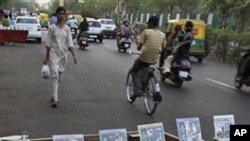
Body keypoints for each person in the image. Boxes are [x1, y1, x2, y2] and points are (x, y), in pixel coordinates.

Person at [43, 7, 77, 108]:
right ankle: (55, 98)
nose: (61, 15)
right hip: (53, 53)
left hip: (63, 55)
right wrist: (46, 57)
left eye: (63, 14)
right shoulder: (52, 28)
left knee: (59, 77)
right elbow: (48, 43)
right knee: (55, 75)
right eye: (60, 14)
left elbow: (70, 43)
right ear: (56, 15)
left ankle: (54, 94)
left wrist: (74, 56)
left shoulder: (67, 29)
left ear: (65, 16)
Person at [129, 16, 166, 102]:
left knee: (134, 71)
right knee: (145, 72)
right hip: (154, 58)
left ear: (149, 23)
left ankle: (138, 89)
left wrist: (138, 44)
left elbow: (139, 48)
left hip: (144, 57)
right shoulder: (162, 34)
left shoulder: (146, 32)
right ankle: (144, 86)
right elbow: (163, 47)